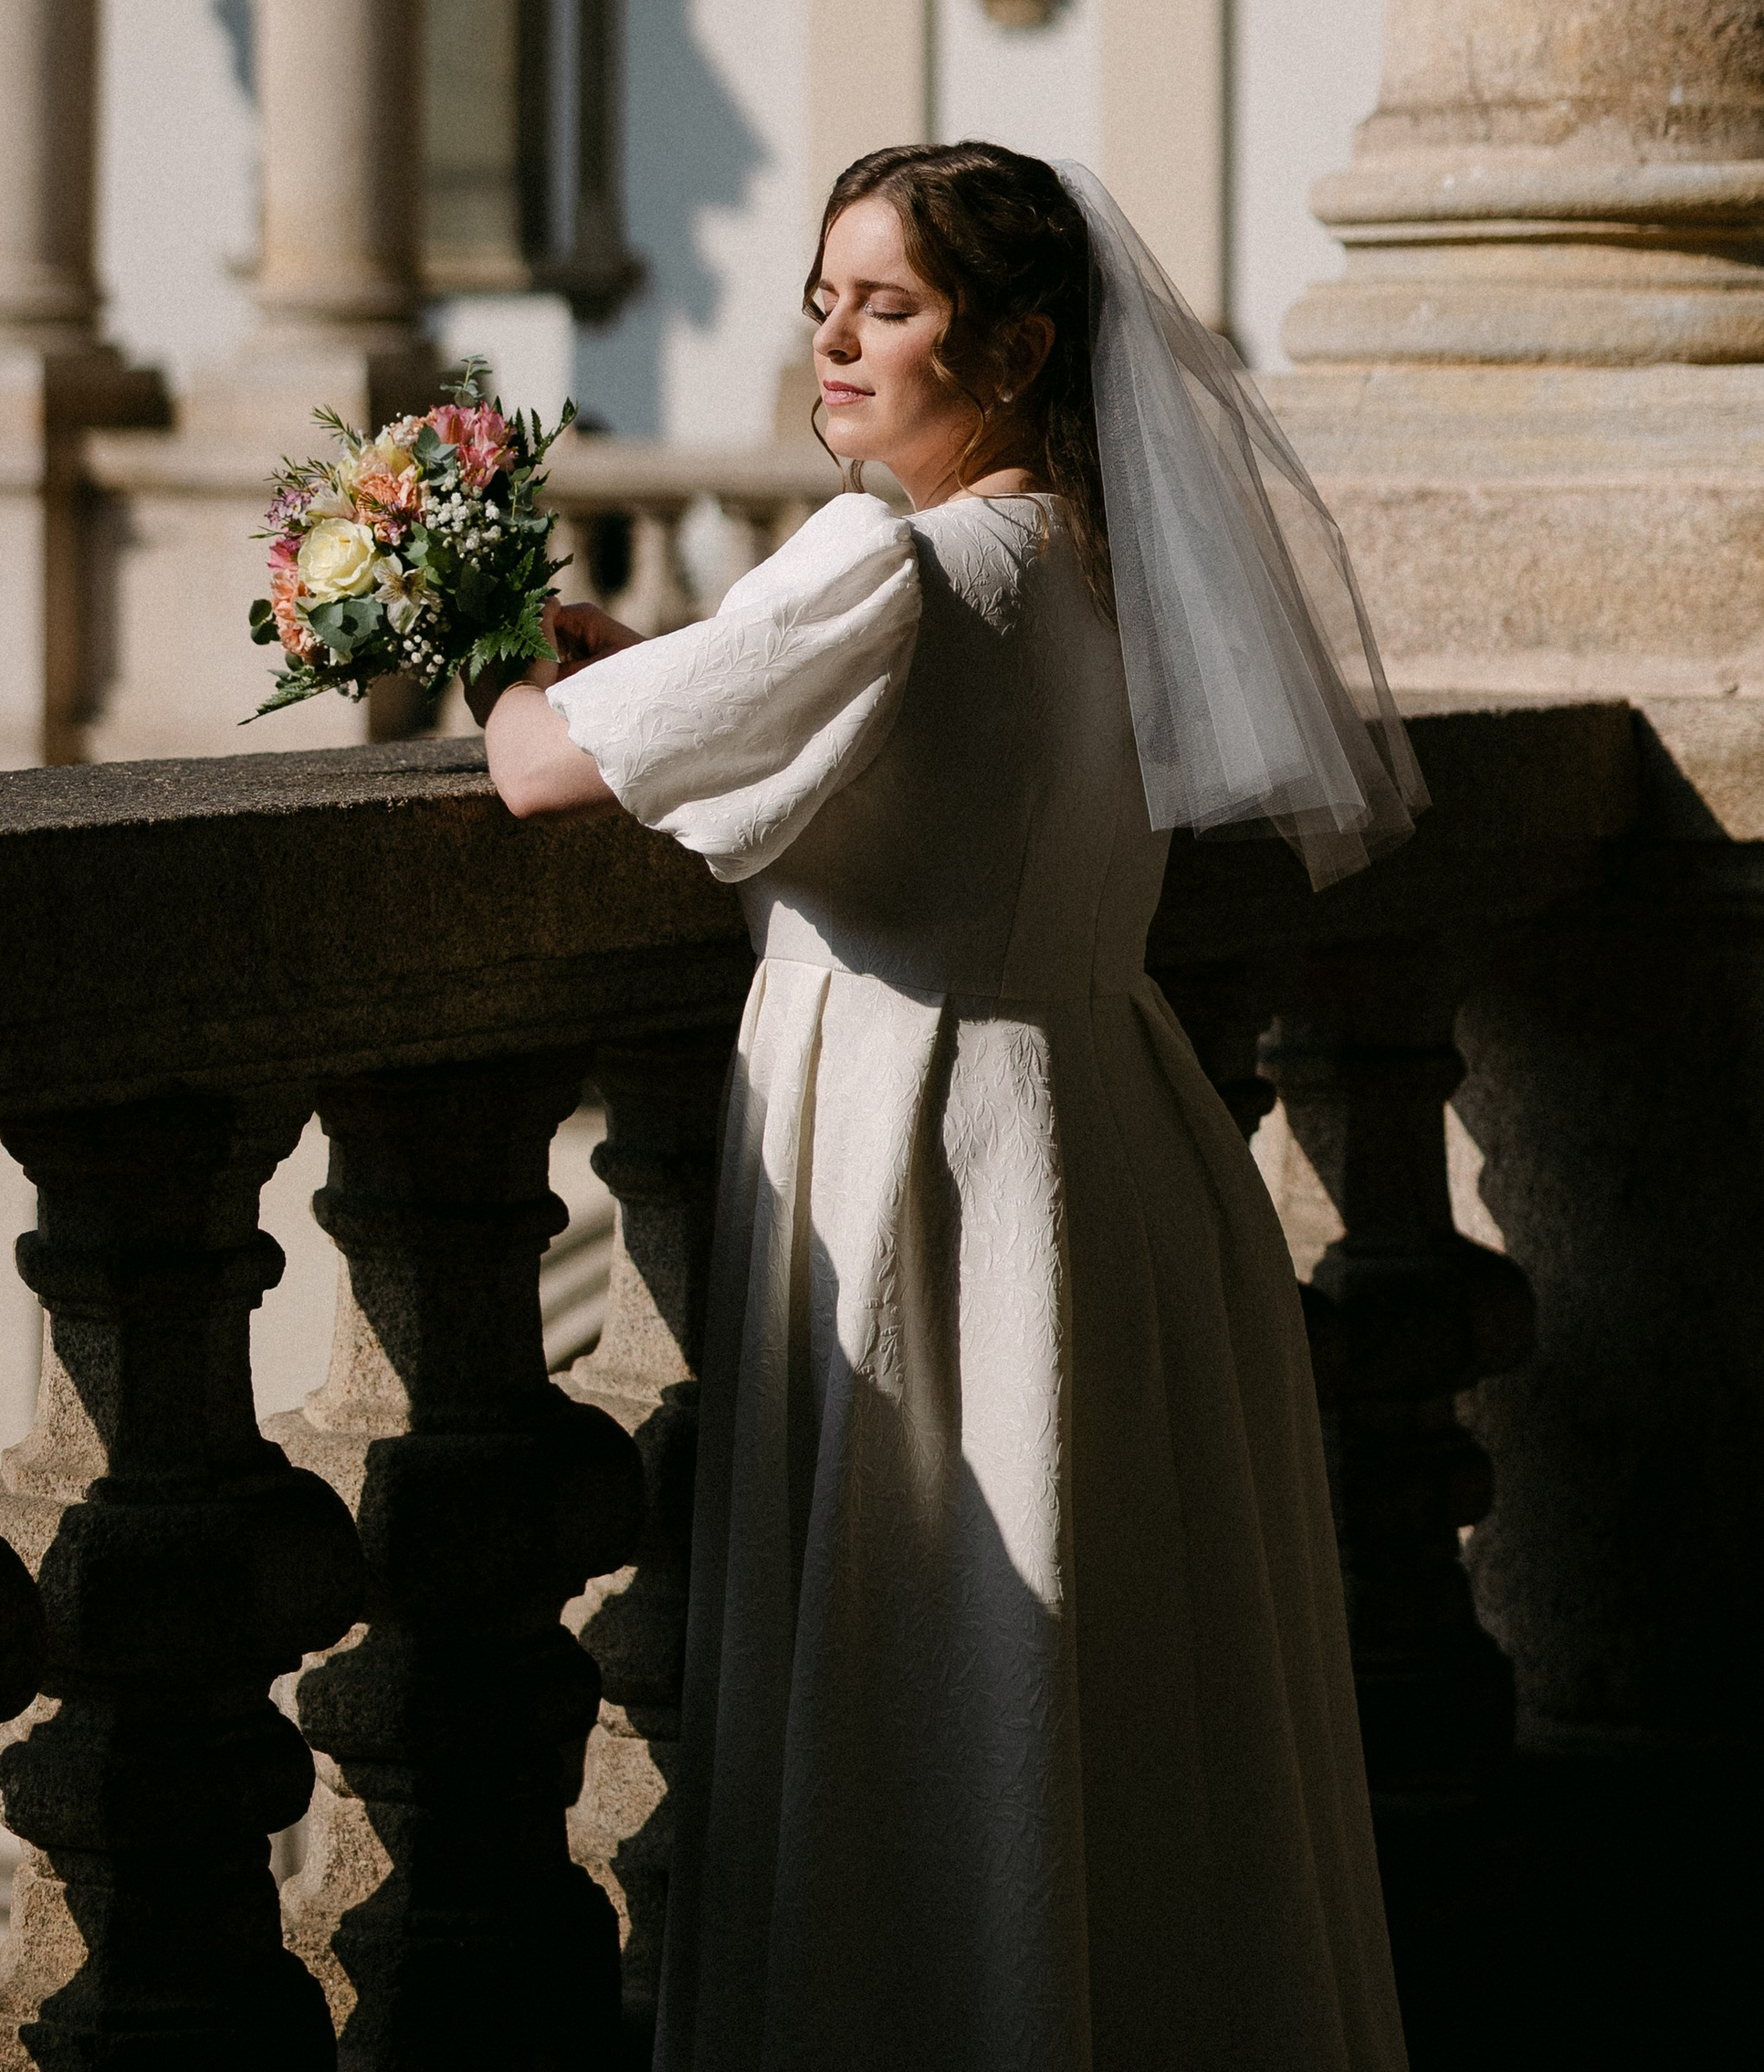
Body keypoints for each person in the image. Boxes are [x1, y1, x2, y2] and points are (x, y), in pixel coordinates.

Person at [472, 142, 1422, 2072]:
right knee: (1119, 1680)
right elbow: (851, 727)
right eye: (824, 301)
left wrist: (485, 638)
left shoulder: (880, 562)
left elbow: (538, 776)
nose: (833, 343)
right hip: (1110, 1133)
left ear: (1013, 345)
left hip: (919, 1145)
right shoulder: (1101, 566)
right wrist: (668, 674)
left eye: (886, 307)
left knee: (934, 1671)